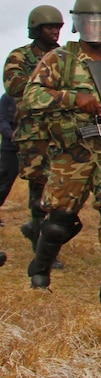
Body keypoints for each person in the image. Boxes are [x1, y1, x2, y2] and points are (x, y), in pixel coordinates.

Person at [22, 0, 101, 303]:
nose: (97, 29)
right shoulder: (59, 60)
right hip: (71, 153)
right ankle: (40, 270)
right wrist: (71, 98)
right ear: (78, 24)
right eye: (91, 23)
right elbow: (31, 98)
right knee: (60, 220)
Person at [4, 5, 65, 262]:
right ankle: (40, 243)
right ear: (36, 29)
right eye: (49, 27)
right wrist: (47, 84)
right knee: (37, 187)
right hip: (32, 132)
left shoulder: (65, 57)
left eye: (57, 27)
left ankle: (41, 235)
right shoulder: (19, 56)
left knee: (57, 189)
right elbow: (14, 86)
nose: (54, 32)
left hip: (60, 131)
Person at [0, 92, 15, 266]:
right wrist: (12, 135)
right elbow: (2, 121)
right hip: (10, 147)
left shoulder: (33, 94)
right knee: (3, 183)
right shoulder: (7, 98)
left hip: (33, 148)